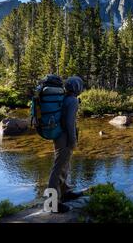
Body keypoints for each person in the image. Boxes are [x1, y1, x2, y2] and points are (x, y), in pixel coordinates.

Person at [47, 76, 84, 213]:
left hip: (59, 135)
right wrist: (73, 140)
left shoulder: (64, 97)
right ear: (77, 87)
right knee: (58, 168)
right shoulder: (73, 100)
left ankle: (65, 192)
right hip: (64, 137)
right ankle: (52, 203)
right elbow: (69, 123)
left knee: (64, 165)